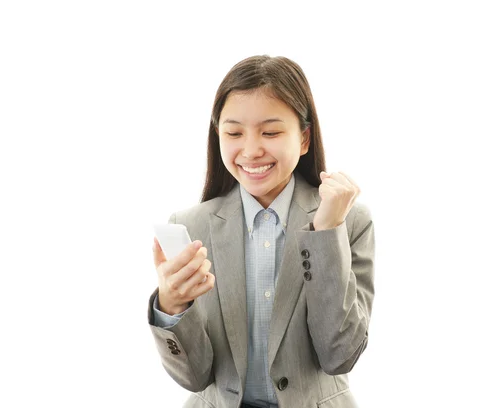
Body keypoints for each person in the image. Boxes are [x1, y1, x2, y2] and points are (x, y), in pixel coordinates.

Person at [148, 55, 375, 408]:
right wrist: (172, 308)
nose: (251, 150)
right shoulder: (191, 226)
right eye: (234, 132)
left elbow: (339, 355)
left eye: (270, 132)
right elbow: (194, 376)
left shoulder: (351, 221)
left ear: (303, 139)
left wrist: (326, 232)